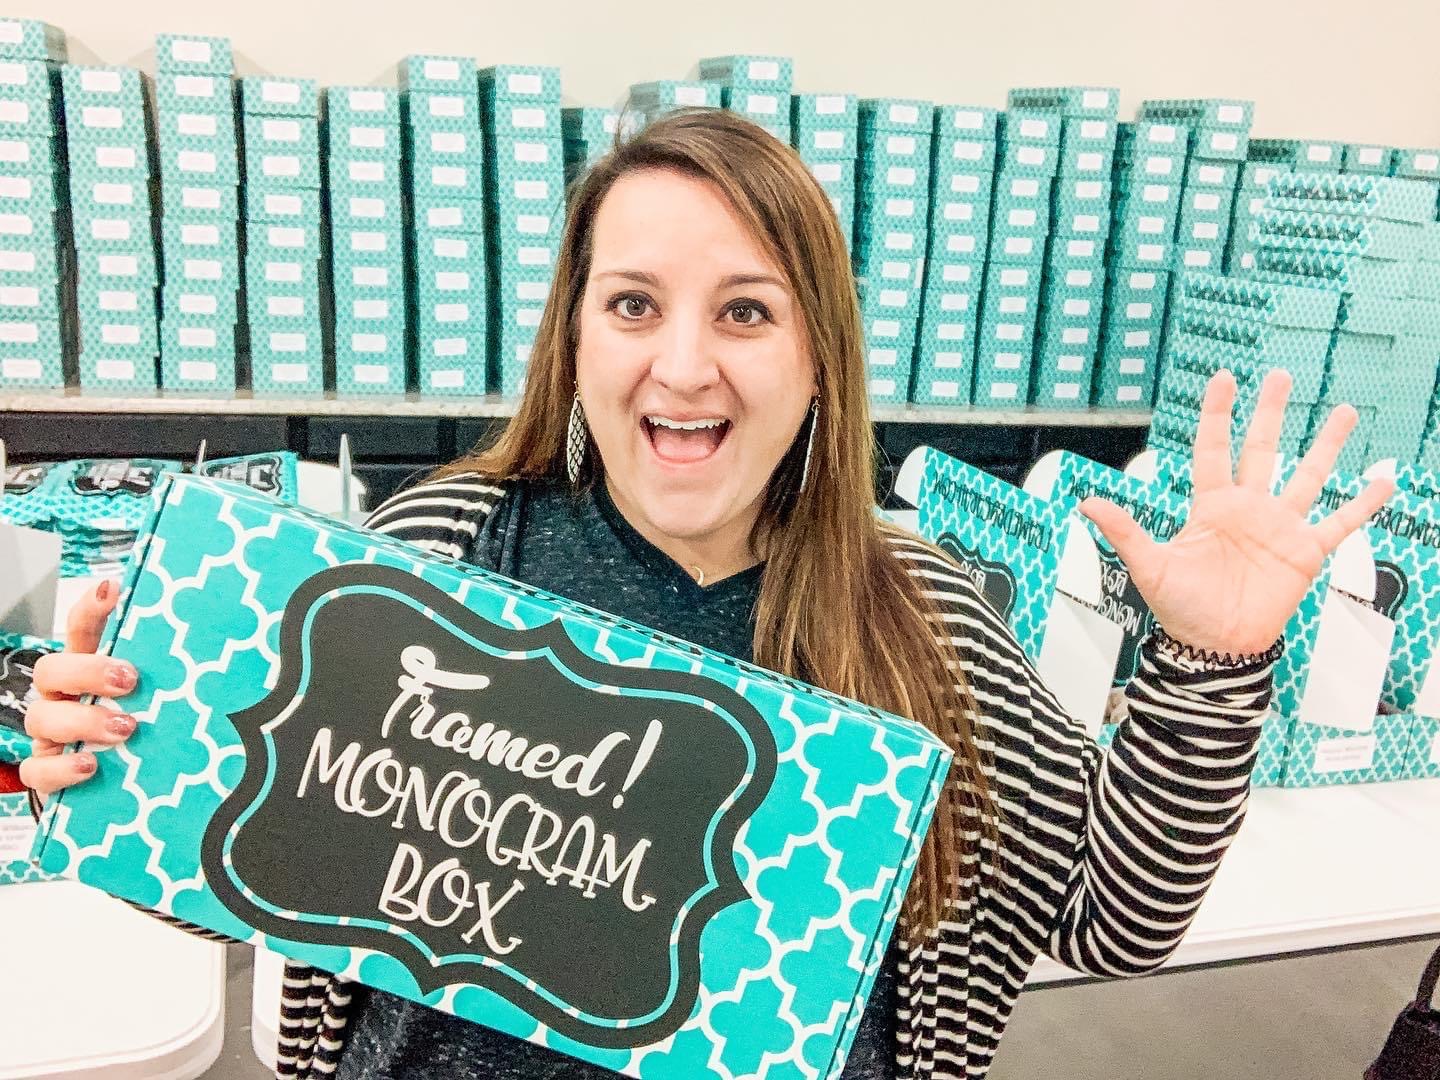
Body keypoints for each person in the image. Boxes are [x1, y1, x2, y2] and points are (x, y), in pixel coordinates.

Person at [22, 109, 1392, 1080]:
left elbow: (1117, 915)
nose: (683, 367)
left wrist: (1209, 664)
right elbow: (283, 866)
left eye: (746, 310)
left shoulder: (922, 618)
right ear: (575, 338)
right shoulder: (435, 553)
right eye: (633, 305)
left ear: (818, 356)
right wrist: (123, 769)